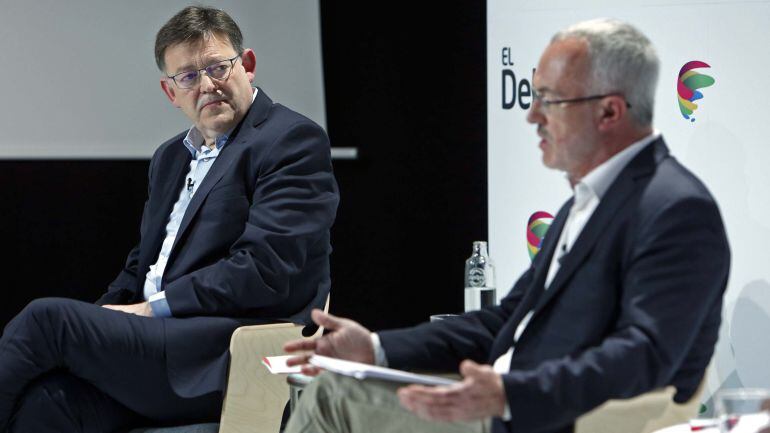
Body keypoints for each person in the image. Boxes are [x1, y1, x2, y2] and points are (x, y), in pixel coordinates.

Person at [283, 18, 730, 433]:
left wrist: (510, 394)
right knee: (322, 384)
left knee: (330, 397)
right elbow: (505, 321)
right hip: (509, 405)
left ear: (609, 112)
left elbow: (645, 354)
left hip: (546, 418)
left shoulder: (677, 209)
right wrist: (378, 348)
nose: (533, 116)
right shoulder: (591, 200)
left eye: (549, 100)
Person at [0, 5, 338, 432]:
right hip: (158, 349)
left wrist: (151, 310)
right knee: (47, 405)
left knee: (47, 320)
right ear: (170, 91)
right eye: (189, 76)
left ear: (246, 65)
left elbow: (264, 270)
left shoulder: (290, 141)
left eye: (218, 67)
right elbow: (143, 264)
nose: (208, 86)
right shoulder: (169, 158)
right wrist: (107, 317)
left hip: (222, 352)